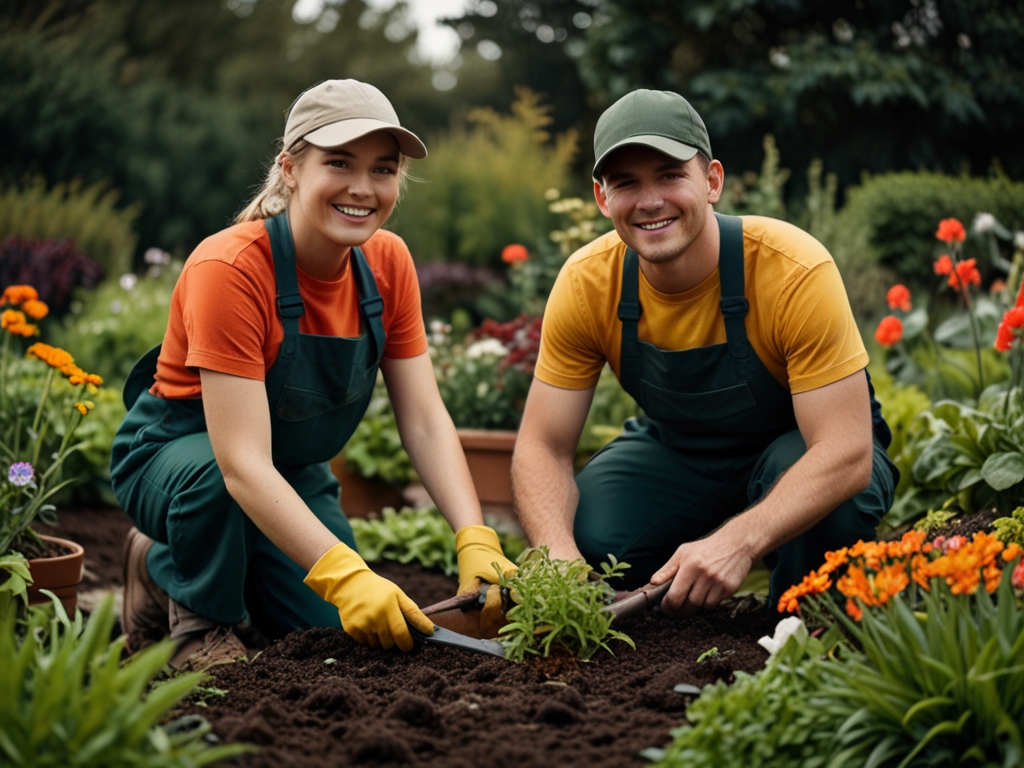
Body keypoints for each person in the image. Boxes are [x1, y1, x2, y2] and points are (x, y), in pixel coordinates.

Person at [111, 79, 515, 668]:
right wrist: (347, 577)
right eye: (340, 163)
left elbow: (426, 422)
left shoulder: (388, 263)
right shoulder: (230, 268)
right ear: (291, 168)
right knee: (217, 488)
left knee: (335, 634)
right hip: (179, 462)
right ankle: (195, 621)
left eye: (383, 169)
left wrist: (474, 534)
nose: (362, 187)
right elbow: (240, 464)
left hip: (291, 471)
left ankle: (189, 565)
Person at [512, 89, 898, 615]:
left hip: (801, 445)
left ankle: (797, 631)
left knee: (835, 512)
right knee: (591, 537)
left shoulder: (791, 269)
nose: (649, 200)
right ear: (603, 199)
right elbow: (542, 445)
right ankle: (661, 617)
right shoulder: (588, 283)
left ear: (712, 181)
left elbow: (846, 450)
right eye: (626, 183)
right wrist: (560, 555)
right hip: (680, 451)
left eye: (670, 175)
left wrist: (738, 541)